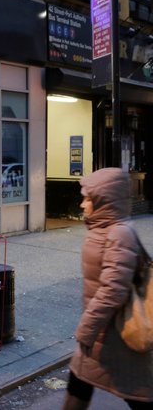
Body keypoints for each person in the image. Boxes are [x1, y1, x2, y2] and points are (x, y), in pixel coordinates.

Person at [64, 168, 153, 410]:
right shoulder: (101, 229)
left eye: (88, 198)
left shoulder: (119, 233)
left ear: (105, 199)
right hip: (101, 334)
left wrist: (87, 328)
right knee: (78, 386)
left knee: (137, 394)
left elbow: (113, 289)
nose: (83, 205)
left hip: (120, 335)